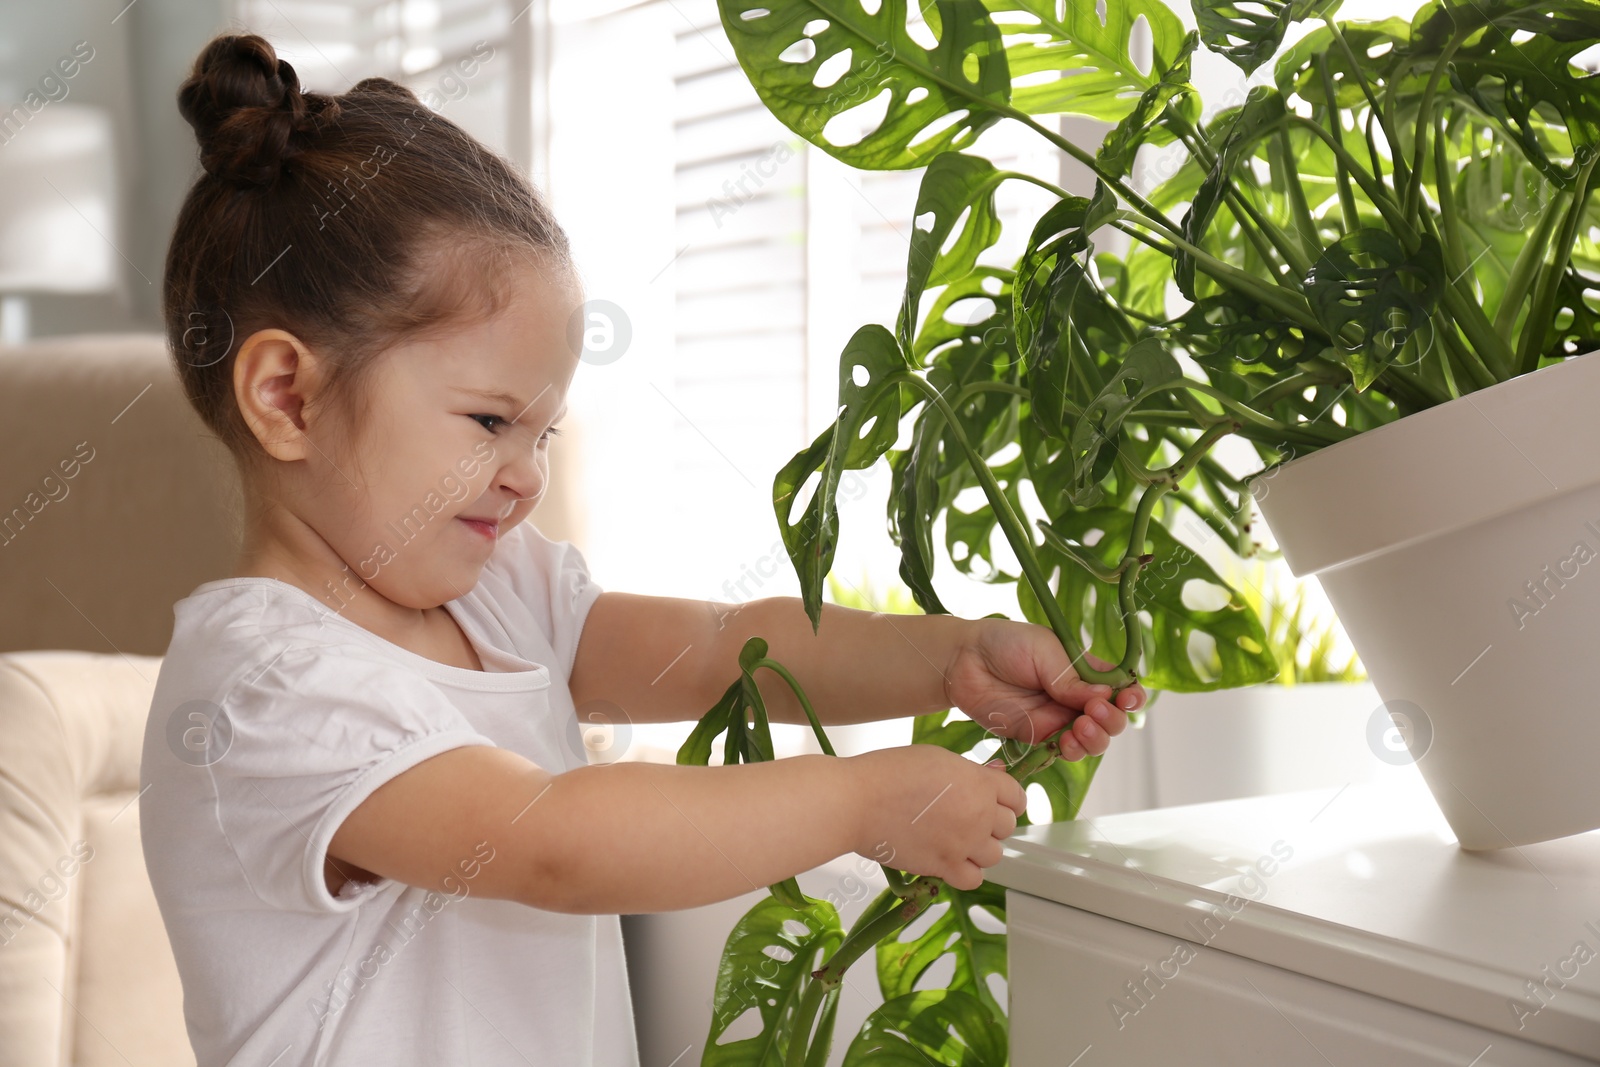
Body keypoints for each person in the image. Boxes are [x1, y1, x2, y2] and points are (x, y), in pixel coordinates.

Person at [138, 31, 1144, 1067]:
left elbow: (721, 648)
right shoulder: (265, 687)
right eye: (489, 422)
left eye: (545, 433)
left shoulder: (497, 591)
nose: (527, 473)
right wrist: (865, 798)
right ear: (287, 396)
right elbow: (554, 842)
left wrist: (947, 658)